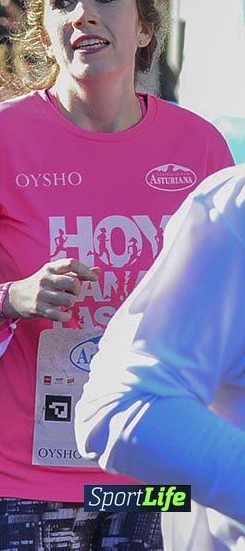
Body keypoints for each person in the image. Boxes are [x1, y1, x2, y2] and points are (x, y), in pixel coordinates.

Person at [0, 0, 234, 549]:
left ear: (145, 27)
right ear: (43, 28)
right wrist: (12, 297)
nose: (83, 15)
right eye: (63, 2)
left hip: (153, 482)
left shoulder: (199, 147)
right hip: (21, 479)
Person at [76, 163, 245, 551]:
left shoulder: (199, 140)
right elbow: (120, 408)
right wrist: (6, 298)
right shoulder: (236, 206)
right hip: (32, 478)